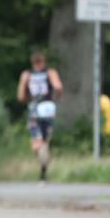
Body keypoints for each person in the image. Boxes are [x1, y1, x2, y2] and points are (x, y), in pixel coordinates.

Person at [17, 50, 64, 183]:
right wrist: (57, 97)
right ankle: (43, 172)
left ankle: (40, 153)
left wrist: (28, 99)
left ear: (32, 62)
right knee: (45, 140)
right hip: (48, 107)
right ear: (43, 61)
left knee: (35, 142)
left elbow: (20, 96)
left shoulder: (26, 75)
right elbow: (58, 87)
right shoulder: (50, 72)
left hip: (34, 108)